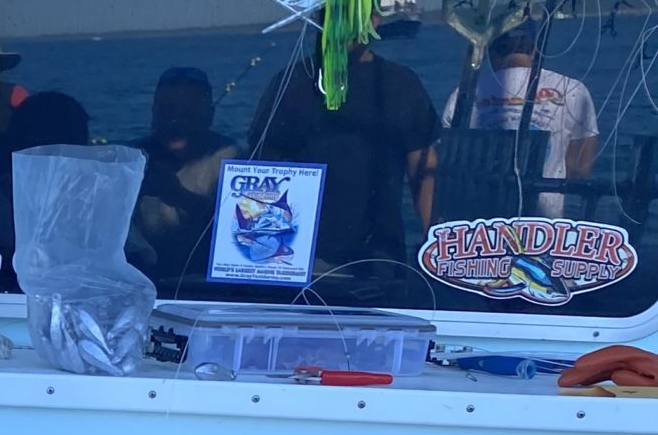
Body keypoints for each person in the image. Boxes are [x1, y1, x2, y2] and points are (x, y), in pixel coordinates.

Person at [247, 27, 439, 304]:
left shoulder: (399, 81)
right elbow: (261, 167)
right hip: (300, 258)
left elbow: (423, 166)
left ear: (373, 18)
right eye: (331, 10)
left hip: (380, 256)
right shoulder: (292, 81)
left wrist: (434, 241)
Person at [440, 25, 600, 218]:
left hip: (481, 228)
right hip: (543, 228)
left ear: (491, 52)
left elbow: (451, 166)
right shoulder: (573, 89)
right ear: (534, 50)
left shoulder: (463, 94)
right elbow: (580, 169)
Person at [133, 66, 233, 292]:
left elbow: (249, 241)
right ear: (153, 114)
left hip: (211, 295)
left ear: (210, 116)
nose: (176, 123)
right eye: (166, 113)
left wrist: (177, 196)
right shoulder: (129, 162)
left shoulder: (236, 162)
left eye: (189, 115)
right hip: (142, 294)